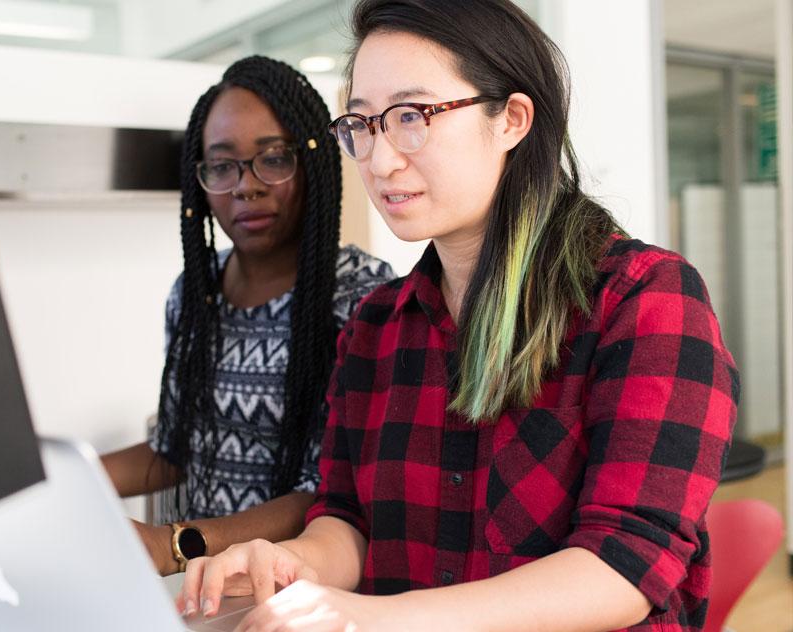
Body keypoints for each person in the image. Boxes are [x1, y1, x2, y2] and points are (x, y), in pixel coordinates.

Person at [178, 2, 739, 630]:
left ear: (513, 120)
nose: (380, 160)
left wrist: (378, 618)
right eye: (363, 124)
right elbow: (348, 520)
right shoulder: (375, 324)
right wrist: (292, 564)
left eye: (413, 117)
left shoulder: (643, 299)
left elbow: (624, 567)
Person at [101, 55, 394, 576]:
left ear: (313, 164)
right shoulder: (195, 293)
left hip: (302, 587)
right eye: (222, 165)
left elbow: (330, 491)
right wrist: (61, 478)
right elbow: (175, 448)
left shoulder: (361, 298)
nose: (246, 185)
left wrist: (175, 544)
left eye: (273, 158)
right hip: (204, 590)